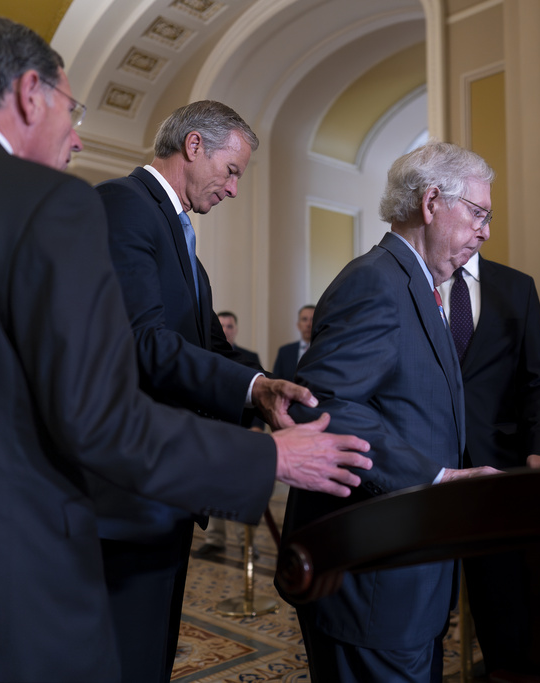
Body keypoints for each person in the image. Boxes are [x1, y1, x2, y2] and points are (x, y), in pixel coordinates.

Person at [0, 16, 371, 683]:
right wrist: (268, 456)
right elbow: (100, 413)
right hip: (9, 574)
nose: (78, 132)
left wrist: (257, 386)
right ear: (31, 93)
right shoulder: (52, 203)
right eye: (72, 107)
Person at [94, 101, 327, 683]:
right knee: (127, 658)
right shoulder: (124, 206)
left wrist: (265, 390)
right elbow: (144, 342)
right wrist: (249, 385)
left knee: (152, 654)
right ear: (194, 145)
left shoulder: (179, 232)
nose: (235, 187)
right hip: (129, 488)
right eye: (232, 169)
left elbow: (203, 350)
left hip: (168, 489)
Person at [279, 141, 501, 683]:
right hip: (370, 577)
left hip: (406, 566)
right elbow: (324, 408)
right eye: (478, 213)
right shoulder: (375, 281)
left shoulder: (423, 287)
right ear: (431, 203)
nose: (485, 231)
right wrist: (437, 476)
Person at [436, 249, 540, 674]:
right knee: (427, 602)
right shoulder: (413, 282)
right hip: (427, 468)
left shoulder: (516, 286)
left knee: (503, 604)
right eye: (474, 212)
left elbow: (538, 379)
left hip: (499, 467)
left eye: (485, 215)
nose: (481, 226)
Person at [197, 310, 266, 558]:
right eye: (222, 325)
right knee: (214, 487)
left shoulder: (248, 357)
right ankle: (215, 540)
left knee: (243, 491)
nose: (226, 329)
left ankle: (247, 543)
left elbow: (259, 396)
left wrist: (257, 427)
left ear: (236, 329)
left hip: (244, 434)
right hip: (216, 434)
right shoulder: (204, 353)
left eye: (229, 326)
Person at [273, 304, 315, 381]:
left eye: (312, 319)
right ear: (298, 325)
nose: (308, 324)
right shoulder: (284, 352)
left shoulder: (325, 350)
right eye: (304, 319)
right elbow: (276, 381)